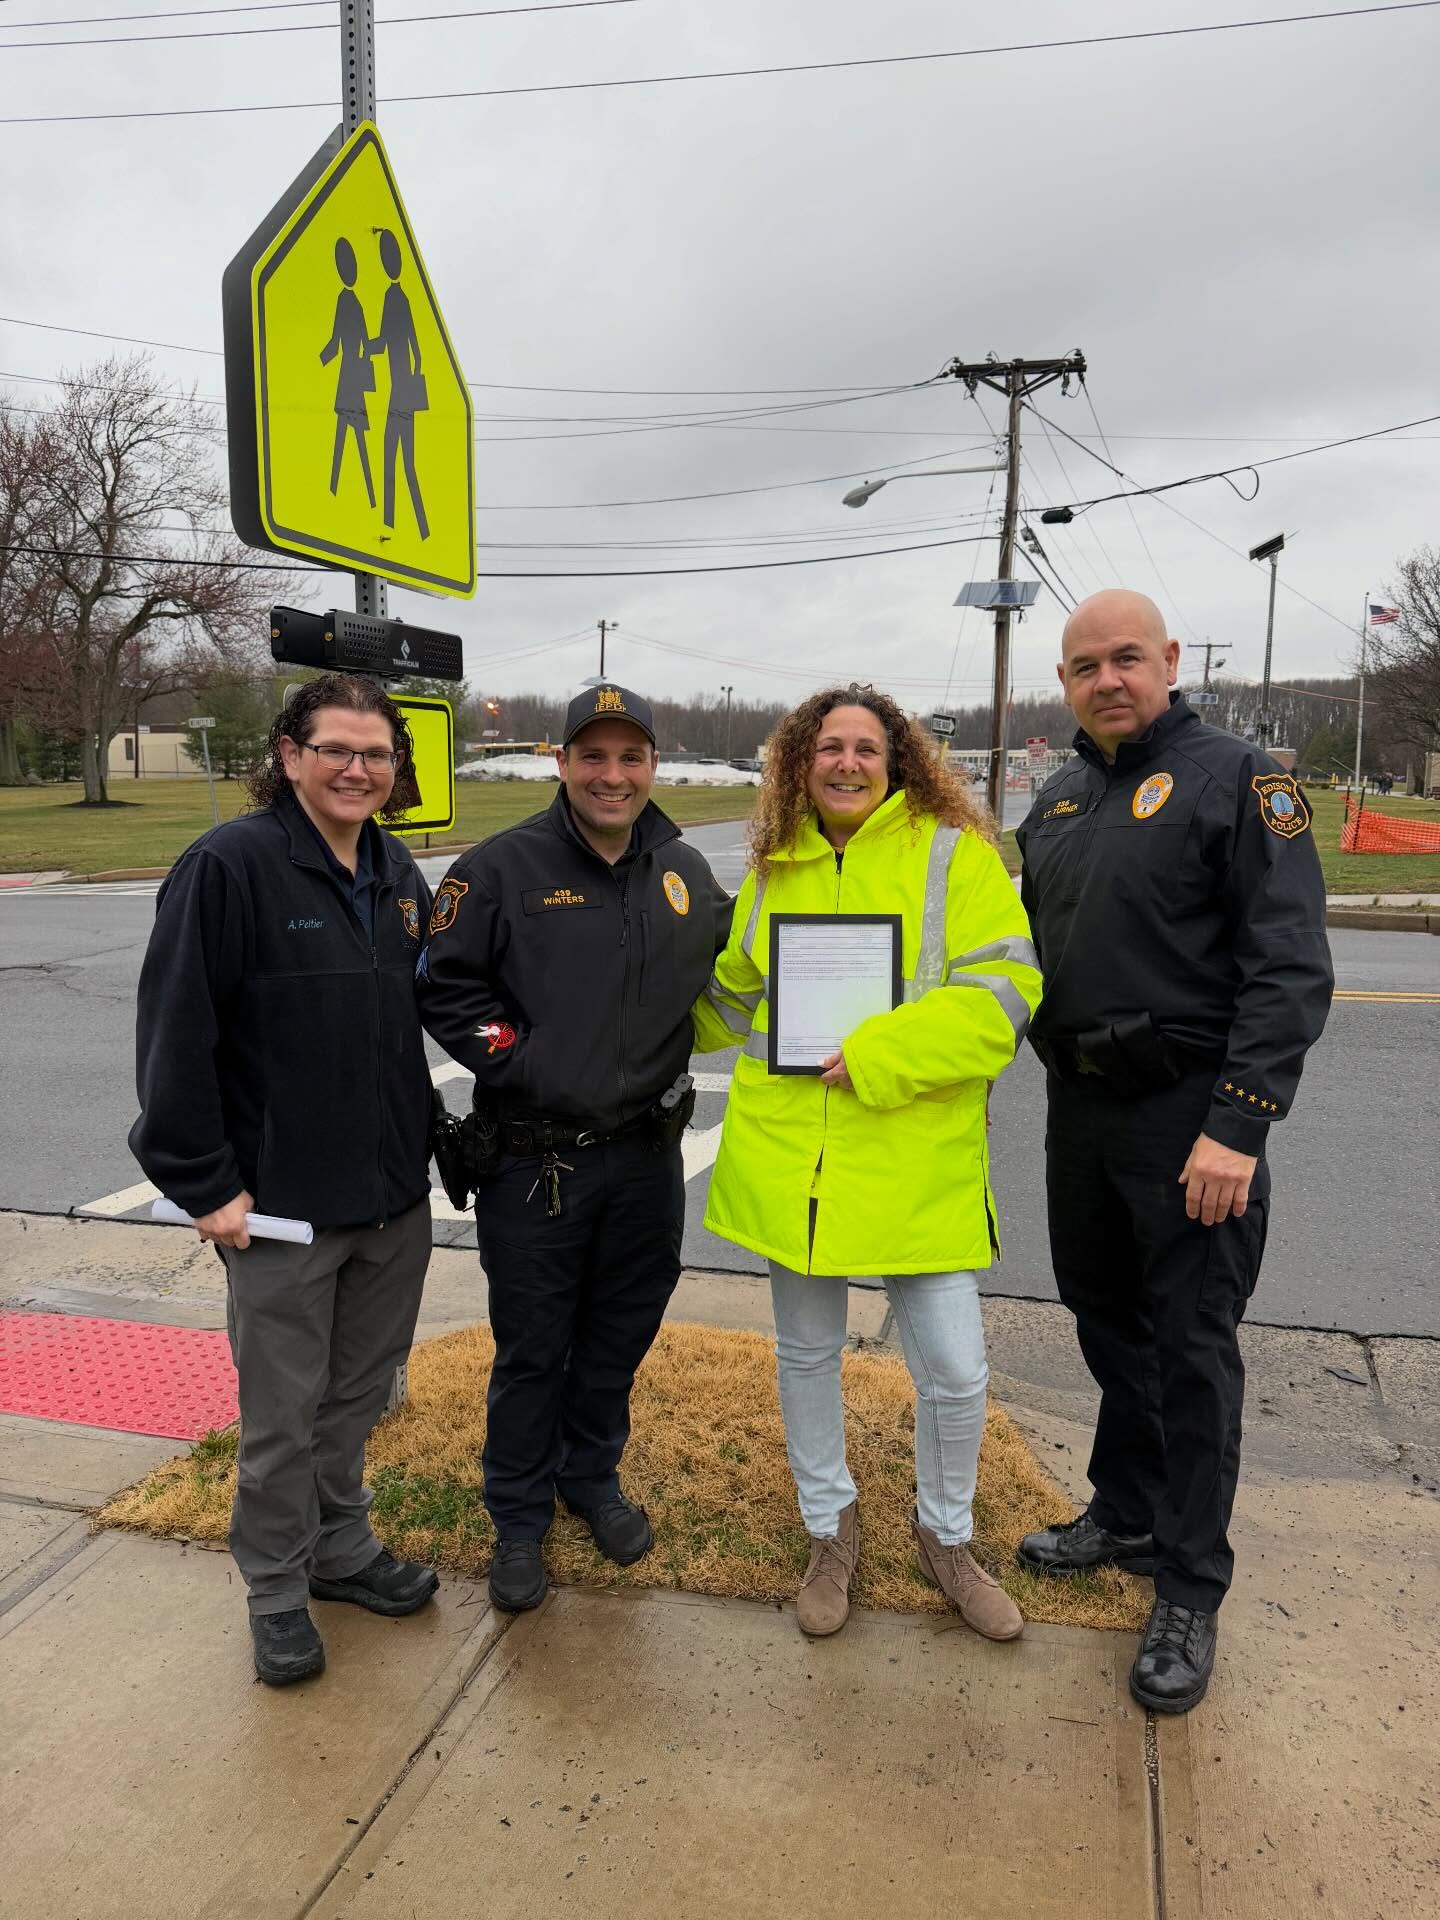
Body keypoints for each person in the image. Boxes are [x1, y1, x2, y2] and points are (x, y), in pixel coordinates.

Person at [1015, 589, 1333, 1716]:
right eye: (1086, 665)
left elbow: (1290, 964)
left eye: (1127, 658)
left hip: (1190, 1119)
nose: (1109, 678)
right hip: (1082, 1114)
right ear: (1064, 684)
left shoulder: (1244, 780)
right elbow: (1013, 960)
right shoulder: (1052, 801)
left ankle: (1190, 1583)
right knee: (1108, 1322)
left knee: (1192, 1350)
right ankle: (1127, 1506)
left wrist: (1238, 1124)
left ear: (1170, 660)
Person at [694, 686, 1042, 1642]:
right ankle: (829, 1530)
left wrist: (882, 1055)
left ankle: (947, 1537)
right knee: (808, 1357)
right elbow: (729, 998)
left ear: (898, 763)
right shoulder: (773, 870)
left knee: (958, 1372)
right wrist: (627, 1015)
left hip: (913, 1155)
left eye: (867, 749)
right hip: (791, 1160)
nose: (847, 763)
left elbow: (1007, 993)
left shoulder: (952, 856)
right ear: (799, 762)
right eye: (828, 748)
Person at [129, 675, 440, 1688]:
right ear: (291, 753)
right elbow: (176, 1040)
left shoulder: (398, 871)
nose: (359, 769)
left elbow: (430, 1014)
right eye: (338, 749)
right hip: (280, 1215)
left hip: (392, 1202)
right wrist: (204, 1184)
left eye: (377, 755)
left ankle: (341, 1553)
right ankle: (274, 1588)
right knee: (280, 1421)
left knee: (352, 1405)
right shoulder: (228, 868)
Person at [416, 683, 730, 1614]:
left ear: (652, 767)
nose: (613, 774)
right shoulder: (499, 868)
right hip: (533, 1161)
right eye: (592, 756)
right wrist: (521, 1056)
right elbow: (443, 987)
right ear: (561, 764)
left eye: (630, 757)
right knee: (532, 1348)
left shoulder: (683, 871)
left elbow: (738, 963)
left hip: (643, 1159)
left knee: (618, 1335)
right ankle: (517, 1515)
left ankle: (588, 1479)